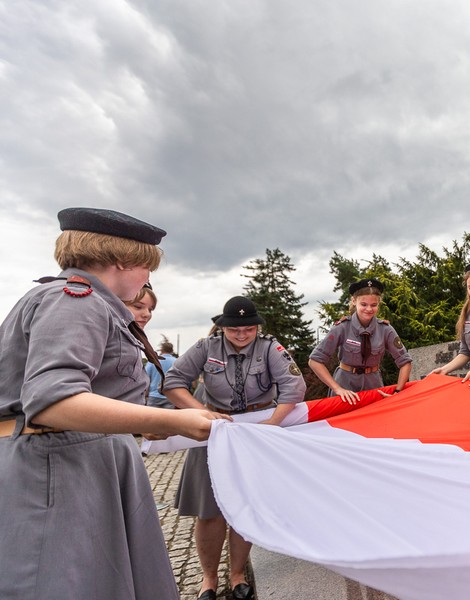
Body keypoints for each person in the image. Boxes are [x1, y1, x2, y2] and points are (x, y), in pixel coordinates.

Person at [0, 207, 229, 599]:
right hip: (63, 466)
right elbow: (54, 401)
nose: (146, 281)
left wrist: (150, 422)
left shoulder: (80, 300)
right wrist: (173, 421)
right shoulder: (75, 300)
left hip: (79, 460)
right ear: (124, 261)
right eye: (147, 269)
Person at [163, 296, 307, 600]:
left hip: (255, 431)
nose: (242, 335)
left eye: (249, 329)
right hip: (214, 431)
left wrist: (273, 423)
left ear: (257, 327)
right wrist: (201, 412)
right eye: (234, 330)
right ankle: (209, 579)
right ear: (223, 328)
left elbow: (294, 386)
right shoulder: (206, 347)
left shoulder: (269, 347)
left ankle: (238, 574)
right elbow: (173, 381)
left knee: (245, 505)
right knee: (209, 511)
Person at [309, 278, 412, 404]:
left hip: (374, 387)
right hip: (345, 388)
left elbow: (405, 362)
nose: (369, 309)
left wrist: (397, 391)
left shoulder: (385, 329)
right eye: (363, 304)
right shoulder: (342, 327)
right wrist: (337, 388)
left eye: (373, 305)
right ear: (354, 301)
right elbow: (315, 361)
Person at [146, 340, 177, 409]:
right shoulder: (176, 362)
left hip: (153, 395)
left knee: (151, 415)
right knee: (168, 416)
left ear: (161, 350)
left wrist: (145, 393)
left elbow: (146, 377)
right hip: (170, 396)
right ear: (172, 350)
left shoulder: (153, 361)